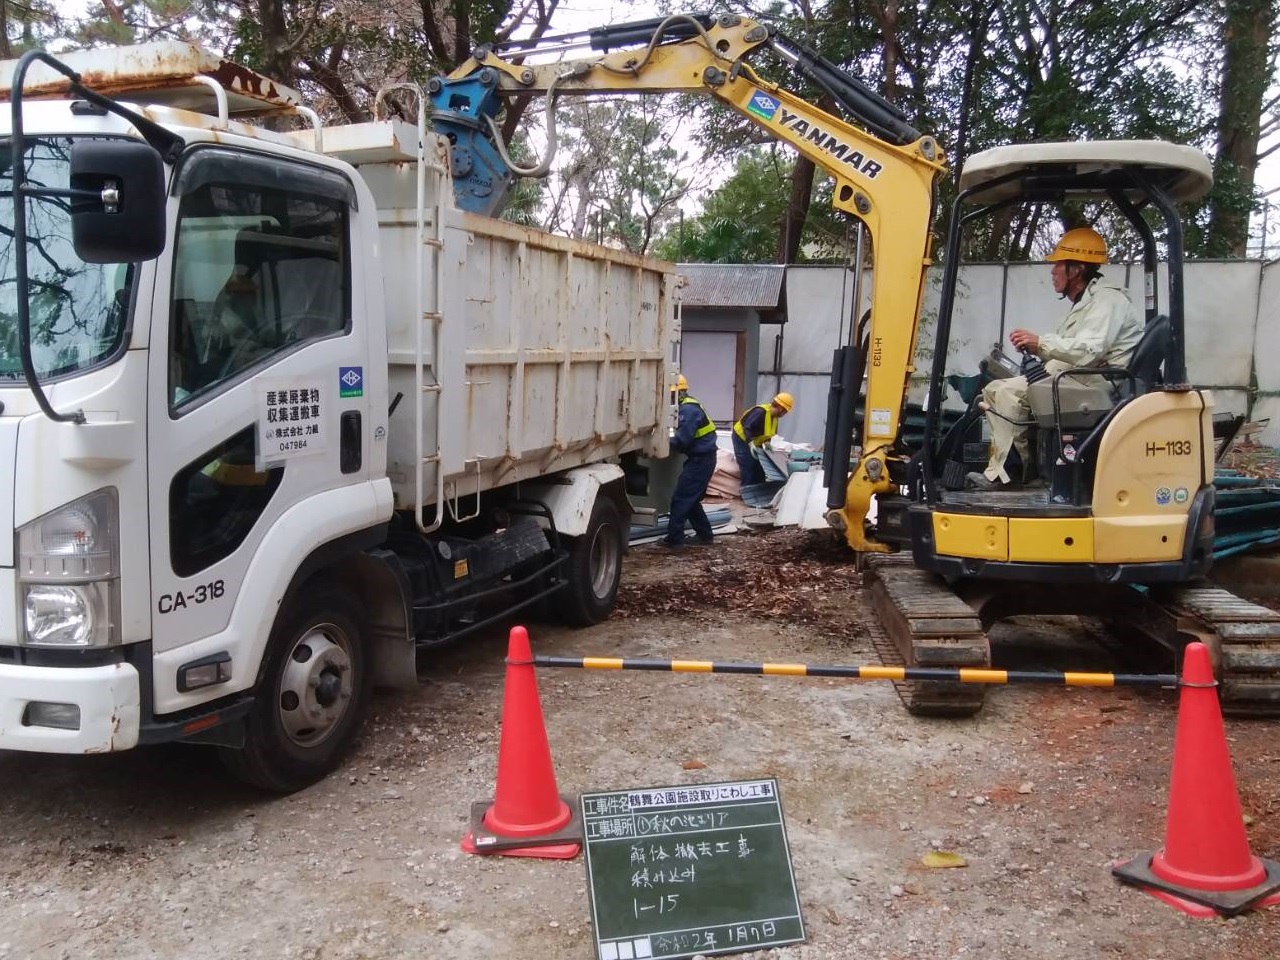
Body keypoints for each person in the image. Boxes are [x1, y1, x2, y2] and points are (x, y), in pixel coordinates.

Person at [967, 227, 1142, 490]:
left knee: (1007, 394)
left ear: (1077, 269)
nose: (1052, 271)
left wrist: (1041, 343)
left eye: (1058, 264)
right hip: (1082, 377)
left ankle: (1010, 474)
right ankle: (1023, 469)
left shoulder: (1108, 300)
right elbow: (1080, 349)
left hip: (1096, 385)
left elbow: (1088, 350)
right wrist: (1040, 349)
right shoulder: (1087, 303)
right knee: (994, 389)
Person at [663, 375, 719, 548]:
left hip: (701, 461)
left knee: (680, 499)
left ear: (679, 392)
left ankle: (674, 540)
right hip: (703, 459)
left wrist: (661, 441)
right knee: (691, 500)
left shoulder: (688, 410)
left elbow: (683, 440)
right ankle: (705, 536)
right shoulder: (688, 405)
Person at [732, 392, 794, 488]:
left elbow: (766, 433)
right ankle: (745, 491)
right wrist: (751, 444)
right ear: (781, 408)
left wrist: (767, 442)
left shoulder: (774, 418)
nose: (785, 414)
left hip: (753, 441)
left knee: (758, 465)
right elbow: (747, 428)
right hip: (741, 438)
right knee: (748, 465)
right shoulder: (760, 412)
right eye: (785, 411)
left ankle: (758, 490)